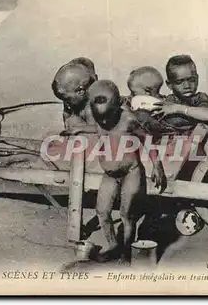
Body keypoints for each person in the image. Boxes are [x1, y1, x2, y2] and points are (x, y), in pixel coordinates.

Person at [85, 79, 167, 264]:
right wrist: (76, 130)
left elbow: (146, 140)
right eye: (101, 119)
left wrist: (157, 166)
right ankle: (114, 246)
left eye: (107, 118)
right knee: (102, 212)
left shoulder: (129, 119)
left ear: (117, 105)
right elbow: (96, 128)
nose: (104, 122)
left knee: (125, 215)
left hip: (131, 171)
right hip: (110, 175)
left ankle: (126, 253)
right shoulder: (95, 115)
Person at [51, 59, 98, 133]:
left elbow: (102, 130)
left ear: (81, 92)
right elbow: (66, 113)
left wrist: (80, 129)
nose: (66, 103)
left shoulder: (91, 108)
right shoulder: (72, 99)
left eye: (67, 99)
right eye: (63, 100)